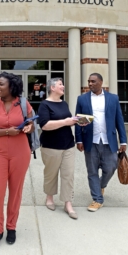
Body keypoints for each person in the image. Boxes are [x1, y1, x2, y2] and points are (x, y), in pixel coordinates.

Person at [0, 72, 34, 250]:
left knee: (16, 191)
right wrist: (6, 132)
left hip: (21, 152)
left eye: (1, 84)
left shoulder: (22, 103)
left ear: (11, 86)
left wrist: (28, 127)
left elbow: (31, 123)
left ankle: (11, 227)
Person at [75, 73, 127, 212]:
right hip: (90, 141)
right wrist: (78, 139)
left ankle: (100, 186)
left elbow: (119, 121)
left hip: (108, 140)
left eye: (93, 81)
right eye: (89, 81)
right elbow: (79, 122)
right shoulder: (82, 99)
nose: (90, 84)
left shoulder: (113, 98)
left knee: (111, 167)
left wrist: (123, 141)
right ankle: (97, 199)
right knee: (92, 171)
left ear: (101, 82)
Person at [38, 78, 79, 220]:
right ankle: (49, 198)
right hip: (51, 146)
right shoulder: (44, 104)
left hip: (68, 144)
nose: (63, 86)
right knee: (51, 174)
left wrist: (74, 122)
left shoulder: (64, 103)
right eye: (60, 84)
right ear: (52, 87)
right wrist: (65, 122)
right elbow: (44, 125)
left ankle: (68, 203)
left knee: (68, 175)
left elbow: (65, 122)